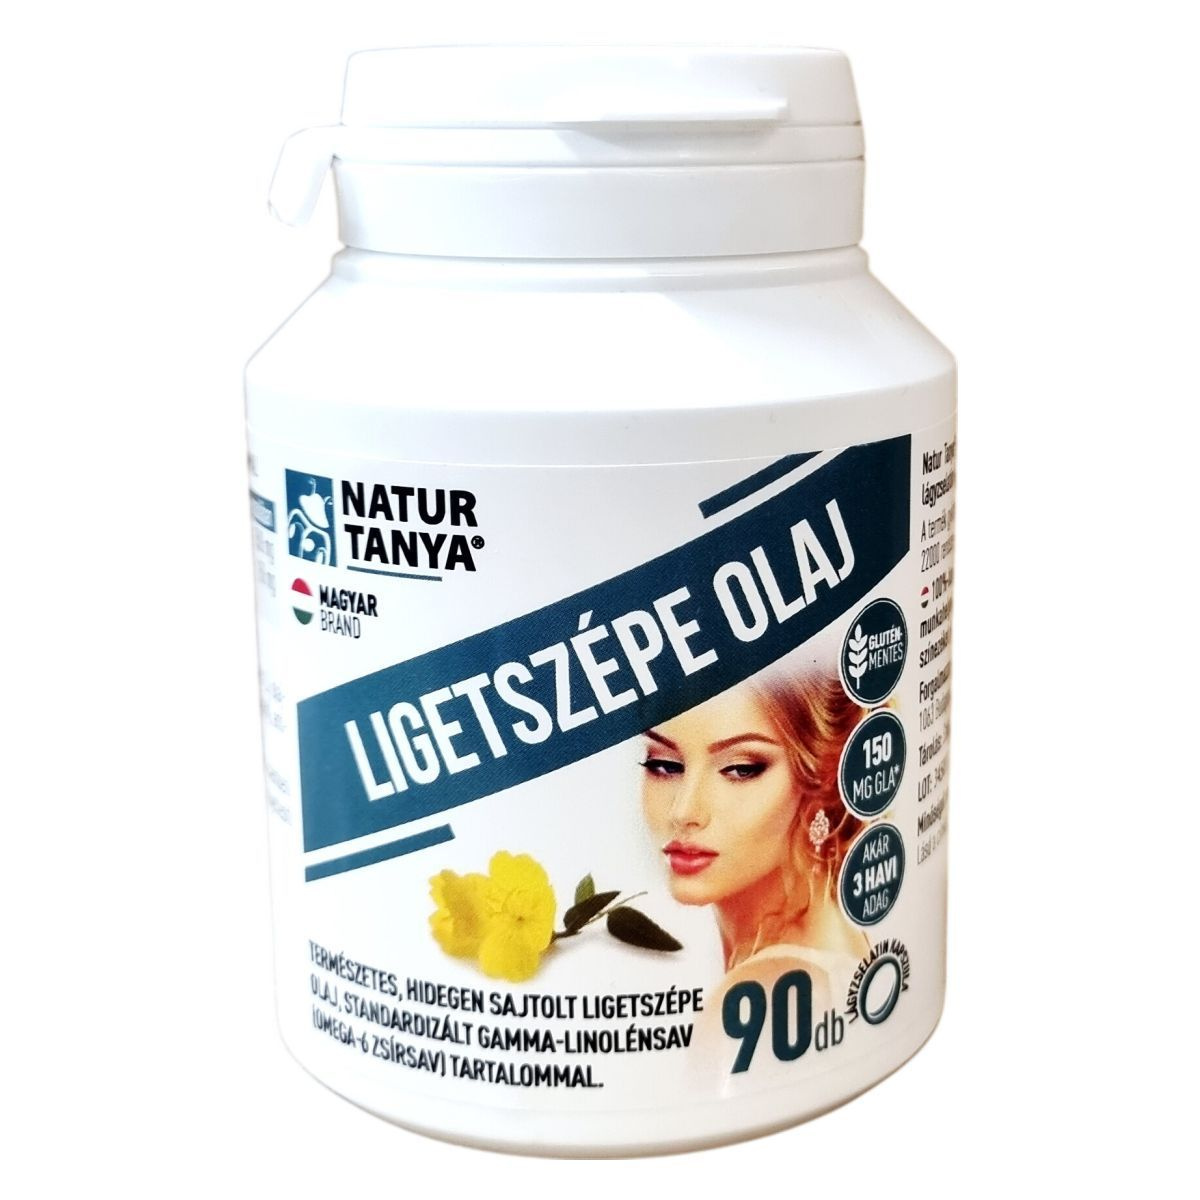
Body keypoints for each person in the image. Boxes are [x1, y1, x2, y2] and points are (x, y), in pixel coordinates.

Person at [640, 669, 870, 1020]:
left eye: (740, 769)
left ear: (821, 776)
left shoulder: (763, 992)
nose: (683, 812)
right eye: (664, 765)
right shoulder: (827, 944)